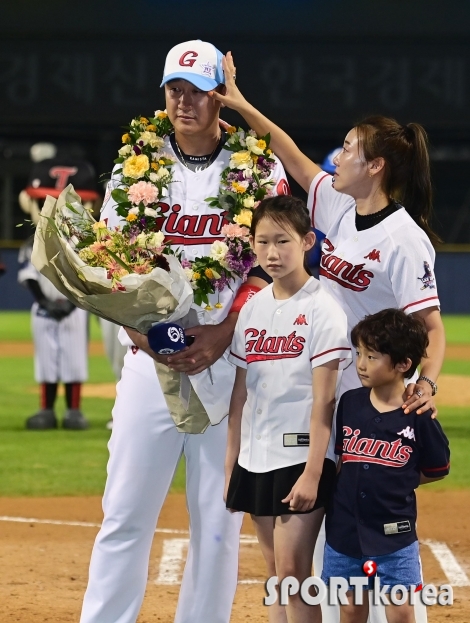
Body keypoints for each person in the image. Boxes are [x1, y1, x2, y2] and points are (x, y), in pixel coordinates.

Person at [209, 52, 446, 623]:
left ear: (378, 166)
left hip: (358, 400)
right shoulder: (337, 203)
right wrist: (240, 106)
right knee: (303, 559)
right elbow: (286, 150)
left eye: (348, 149)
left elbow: (432, 329)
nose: (336, 156)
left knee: (362, 550)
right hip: (311, 381)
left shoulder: (404, 240)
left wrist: (426, 382)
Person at [80, 40, 290, 623]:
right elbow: (107, 262)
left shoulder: (260, 168)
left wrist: (225, 333)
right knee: (124, 512)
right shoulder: (134, 166)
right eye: (175, 89)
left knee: (218, 521)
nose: (185, 101)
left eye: (198, 91)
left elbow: (278, 265)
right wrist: (140, 331)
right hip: (150, 361)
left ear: (220, 94)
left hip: (229, 365)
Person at [225, 195, 351, 623]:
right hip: (255, 456)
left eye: (283, 240)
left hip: (299, 456)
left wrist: (315, 471)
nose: (272, 253)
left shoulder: (324, 309)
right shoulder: (253, 310)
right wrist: (231, 465)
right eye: (263, 242)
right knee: (278, 576)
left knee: (295, 575)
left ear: (307, 241)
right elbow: (240, 395)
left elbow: (325, 400)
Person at [322, 308, 450, 623]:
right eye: (360, 354)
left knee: (401, 611)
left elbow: (437, 468)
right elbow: (344, 460)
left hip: (395, 532)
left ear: (403, 364)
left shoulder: (418, 415)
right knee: (350, 609)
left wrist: (397, 478)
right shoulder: (349, 404)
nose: (361, 364)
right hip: (345, 531)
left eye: (372, 356)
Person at [18, 144, 99, 430]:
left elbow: (89, 276)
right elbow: (29, 276)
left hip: (74, 308)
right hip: (45, 310)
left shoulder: (85, 244)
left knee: (75, 361)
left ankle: (74, 411)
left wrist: (72, 301)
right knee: (47, 363)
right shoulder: (35, 241)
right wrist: (45, 302)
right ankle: (46, 410)